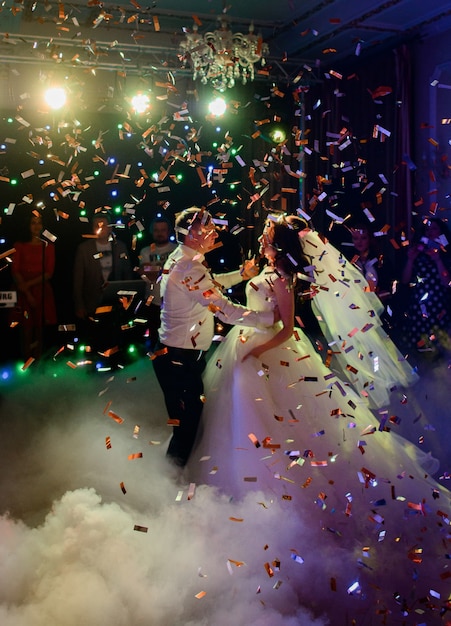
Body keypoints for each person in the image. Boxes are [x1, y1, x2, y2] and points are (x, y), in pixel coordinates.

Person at [187, 214, 449, 622]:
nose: (263, 236)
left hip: (273, 358)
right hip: (248, 349)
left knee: (287, 428)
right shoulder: (267, 272)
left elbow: (286, 327)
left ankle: (289, 503)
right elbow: (256, 315)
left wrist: (255, 350)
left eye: (269, 235)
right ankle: (244, 495)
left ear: (279, 244)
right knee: (249, 426)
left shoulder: (283, 278)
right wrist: (230, 316)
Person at [152, 206, 276, 468]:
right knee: (186, 429)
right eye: (208, 230)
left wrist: (241, 276)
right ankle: (169, 486)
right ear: (193, 234)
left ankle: (176, 478)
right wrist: (267, 318)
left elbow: (210, 285)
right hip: (178, 361)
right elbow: (224, 310)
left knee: (190, 424)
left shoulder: (186, 259)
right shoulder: (188, 265)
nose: (214, 235)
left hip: (179, 357)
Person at [301, 227, 418, 408]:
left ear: (370, 239)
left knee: (378, 347)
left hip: (381, 311)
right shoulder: (346, 259)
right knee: (359, 350)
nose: (359, 242)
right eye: (355, 238)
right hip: (355, 313)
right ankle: (372, 385)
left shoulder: (380, 260)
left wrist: (378, 297)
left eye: (363, 237)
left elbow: (392, 284)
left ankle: (389, 384)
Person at [73, 213, 134, 353]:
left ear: (110, 228)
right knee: (95, 340)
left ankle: (114, 366)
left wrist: (128, 301)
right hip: (92, 303)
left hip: (115, 304)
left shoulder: (120, 247)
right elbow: (78, 279)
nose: (100, 228)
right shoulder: (84, 249)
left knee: (114, 339)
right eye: (97, 225)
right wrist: (79, 304)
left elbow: (127, 275)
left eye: (103, 225)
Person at [400, 216, 451, 354]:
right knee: (417, 347)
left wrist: (438, 259)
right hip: (418, 307)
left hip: (439, 306)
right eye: (427, 229)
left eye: (433, 229)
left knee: (438, 348)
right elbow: (404, 280)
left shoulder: (447, 254)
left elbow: (448, 284)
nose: (430, 232)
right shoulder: (418, 253)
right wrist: (410, 259)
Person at [10, 212, 57, 360]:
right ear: (28, 225)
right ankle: (25, 362)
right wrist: (26, 292)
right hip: (22, 294)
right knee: (25, 329)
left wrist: (27, 287)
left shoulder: (48, 247)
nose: (36, 226)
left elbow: (49, 273)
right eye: (33, 222)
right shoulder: (19, 245)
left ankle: (37, 364)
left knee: (40, 329)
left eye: (39, 222)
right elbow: (15, 270)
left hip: (42, 292)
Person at [138, 216, 177, 349]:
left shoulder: (177, 249)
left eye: (163, 230)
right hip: (152, 301)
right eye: (156, 230)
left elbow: (178, 272)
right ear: (152, 232)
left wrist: (154, 268)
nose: (159, 233)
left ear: (169, 231)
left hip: (175, 300)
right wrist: (164, 269)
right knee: (154, 337)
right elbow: (144, 272)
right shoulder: (145, 251)